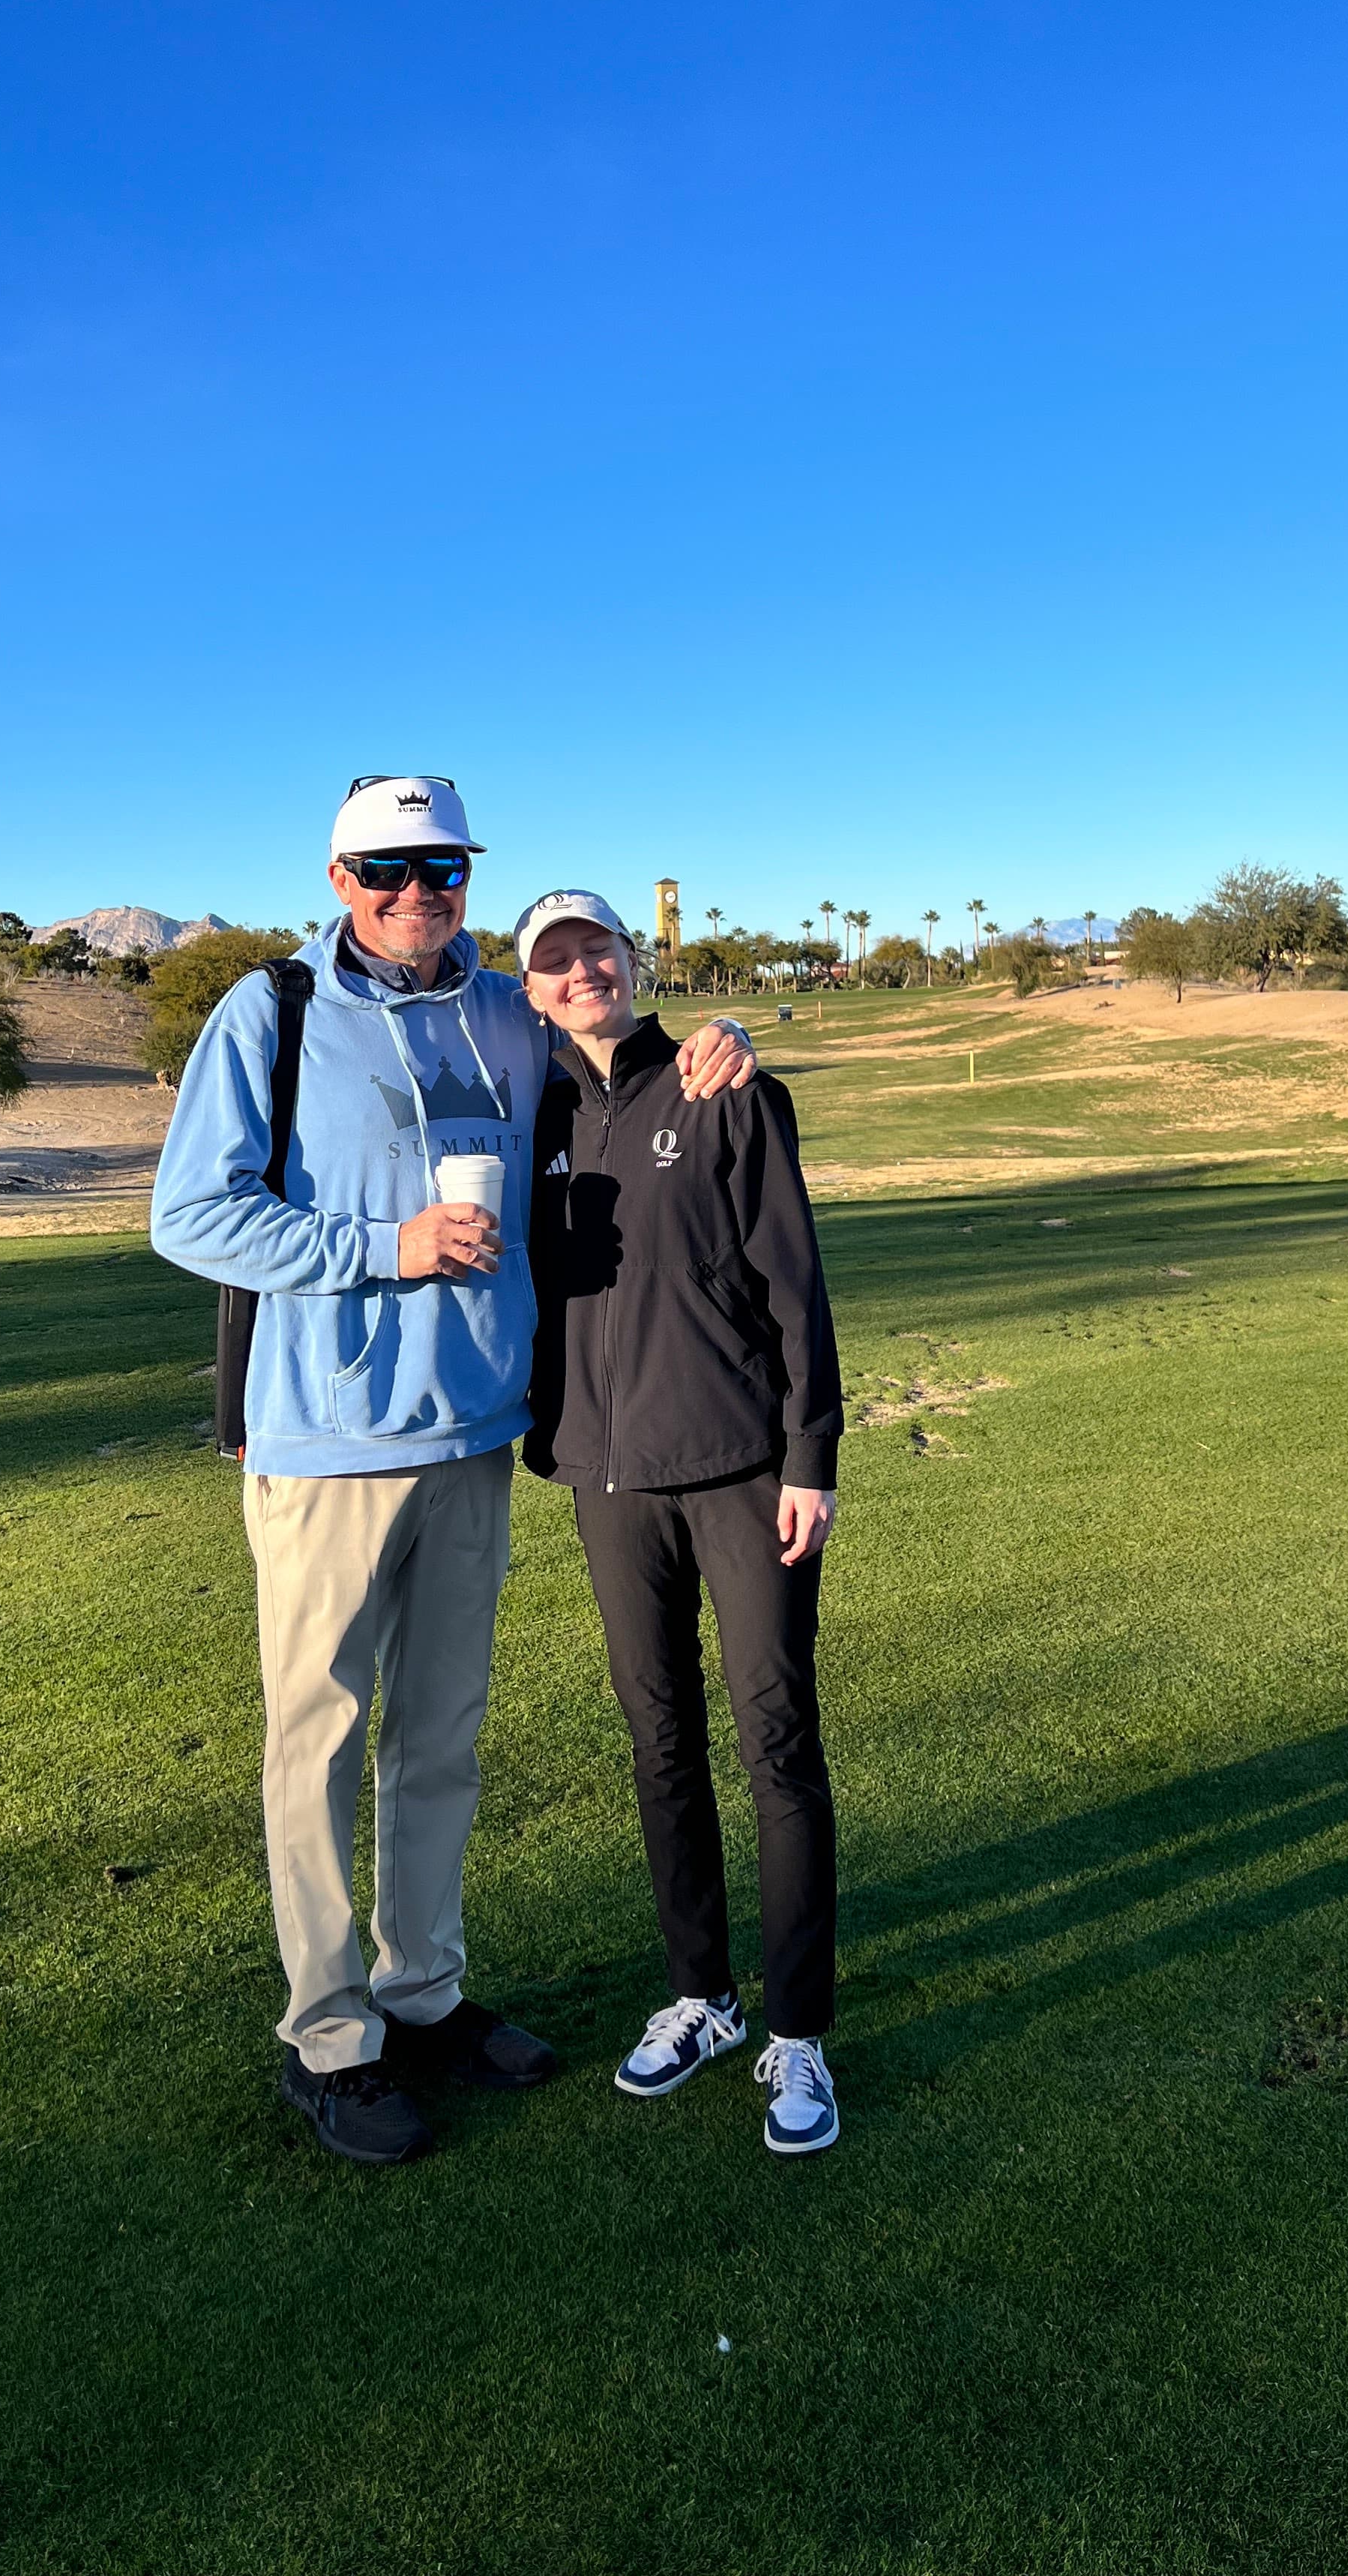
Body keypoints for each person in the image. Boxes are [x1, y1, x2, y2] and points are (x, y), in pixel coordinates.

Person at [148, 781, 754, 2167]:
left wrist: (720, 1040)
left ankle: (421, 1992)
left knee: (443, 1740)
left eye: (443, 866)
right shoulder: (274, 1013)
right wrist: (385, 1246)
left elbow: (616, 1064)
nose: (416, 888)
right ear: (340, 875)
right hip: (329, 1442)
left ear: (469, 879)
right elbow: (191, 1214)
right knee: (318, 1744)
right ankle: (330, 2036)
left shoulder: (499, 1008)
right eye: (387, 868)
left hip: (476, 1433)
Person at [520, 889, 846, 2156]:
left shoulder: (724, 1090)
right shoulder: (533, 1110)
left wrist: (810, 1453)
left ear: (629, 961)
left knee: (775, 1740)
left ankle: (798, 2032)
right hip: (605, 1476)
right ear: (532, 990)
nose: (581, 971)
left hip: (746, 1468)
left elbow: (796, 1287)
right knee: (659, 1743)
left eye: (596, 949)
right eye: (555, 962)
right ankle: (702, 1999)